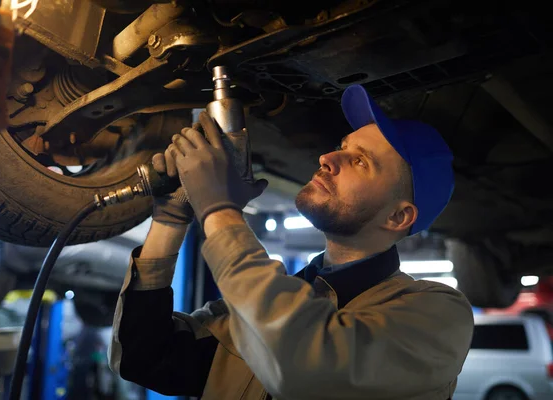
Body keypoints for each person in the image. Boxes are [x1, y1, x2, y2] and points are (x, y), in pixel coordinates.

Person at [108, 84, 474, 400]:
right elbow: (143, 357)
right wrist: (170, 221)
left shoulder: (436, 315)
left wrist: (218, 210)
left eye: (360, 161)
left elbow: (300, 364)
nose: (328, 158)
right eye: (342, 146)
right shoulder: (266, 301)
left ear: (398, 217)